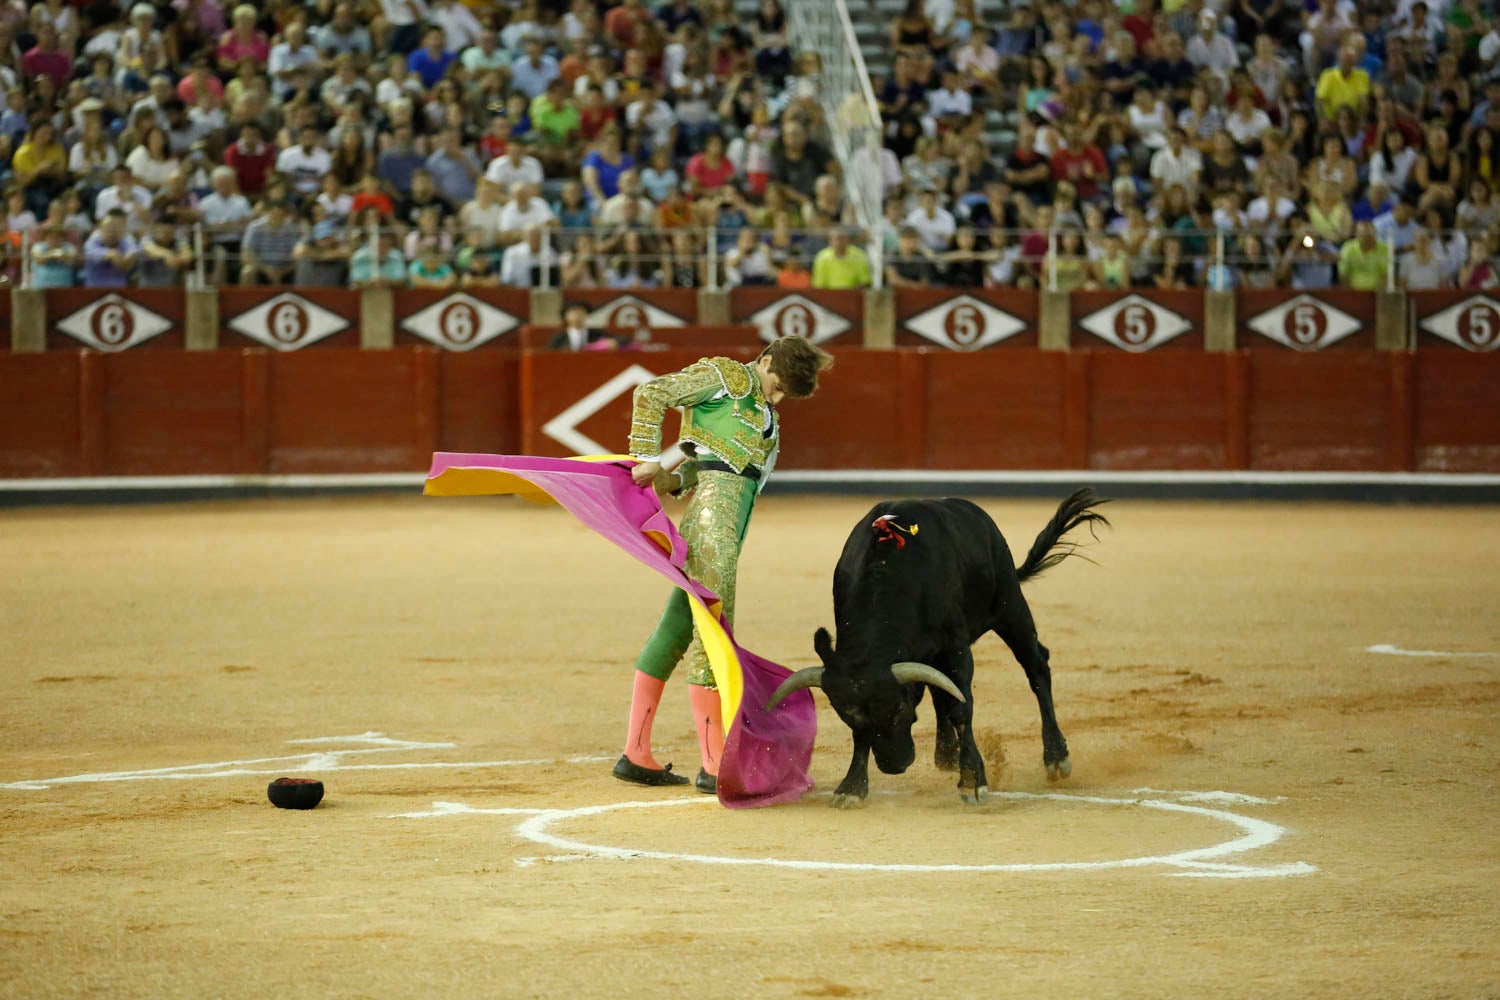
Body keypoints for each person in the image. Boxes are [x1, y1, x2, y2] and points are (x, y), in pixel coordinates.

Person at [617, 336, 834, 792]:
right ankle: (714, 763)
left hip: (723, 529)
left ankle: (636, 754)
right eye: (777, 386)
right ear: (766, 360)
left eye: (784, 395)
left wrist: (667, 477)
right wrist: (644, 458)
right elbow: (650, 392)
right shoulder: (726, 377)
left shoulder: (764, 416)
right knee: (712, 632)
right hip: (713, 529)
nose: (777, 399)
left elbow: (704, 469)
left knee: (677, 627)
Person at [549, 300, 620, 350]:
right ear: (565, 316)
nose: (577, 314)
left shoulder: (597, 334)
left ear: (586, 314)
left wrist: (613, 342)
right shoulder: (559, 338)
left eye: (580, 311)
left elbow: (622, 340)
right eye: (573, 312)